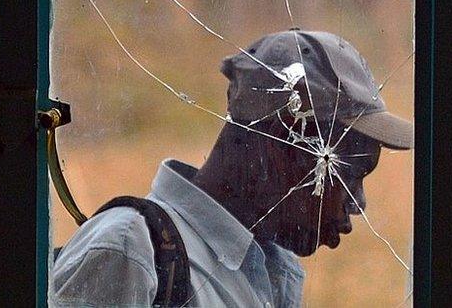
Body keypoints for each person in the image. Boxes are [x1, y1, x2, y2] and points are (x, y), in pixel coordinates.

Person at [51, 29, 413, 307]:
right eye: (349, 175)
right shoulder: (130, 251)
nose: (357, 204)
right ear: (285, 146)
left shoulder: (273, 270)